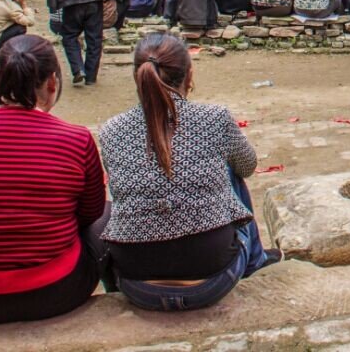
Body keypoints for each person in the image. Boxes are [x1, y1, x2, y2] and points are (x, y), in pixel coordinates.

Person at [0, 35, 107, 324]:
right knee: (108, 215)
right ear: (53, 82)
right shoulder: (76, 139)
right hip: (55, 291)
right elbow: (90, 213)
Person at [100, 34, 280, 311]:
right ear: (190, 75)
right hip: (214, 280)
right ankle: (255, 259)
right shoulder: (215, 118)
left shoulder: (112, 130)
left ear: (137, 77)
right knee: (230, 169)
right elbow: (248, 166)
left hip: (137, 285)